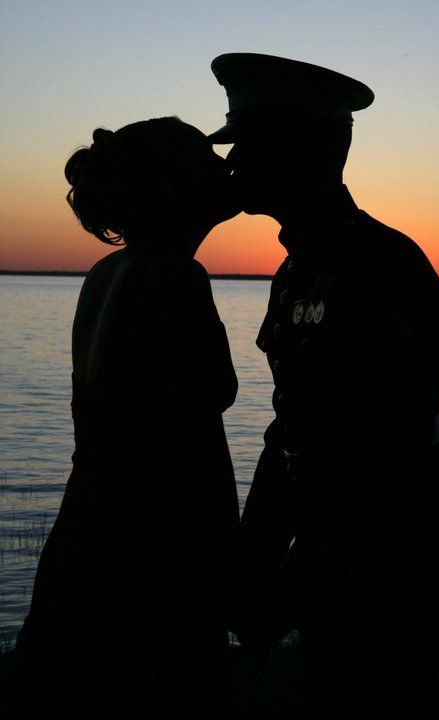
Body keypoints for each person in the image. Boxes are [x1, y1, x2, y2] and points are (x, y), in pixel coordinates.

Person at [209, 53, 439, 718]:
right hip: (342, 570)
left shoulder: (382, 267)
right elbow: (290, 427)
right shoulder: (295, 272)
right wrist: (253, 557)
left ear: (312, 149)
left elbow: (385, 454)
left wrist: (289, 580)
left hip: (411, 574)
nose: (233, 167)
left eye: (250, 146)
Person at [15, 117, 241, 718]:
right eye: (206, 161)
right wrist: (226, 563)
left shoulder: (106, 274)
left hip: (89, 536)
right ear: (172, 188)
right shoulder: (175, 277)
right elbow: (196, 423)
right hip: (148, 557)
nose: (226, 169)